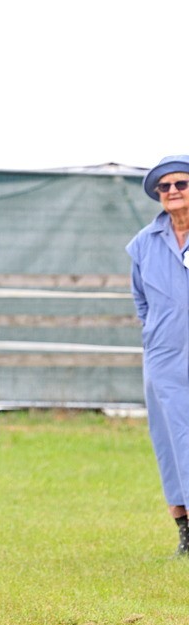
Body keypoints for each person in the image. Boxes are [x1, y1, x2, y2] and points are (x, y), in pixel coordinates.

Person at [128, 154, 189, 557]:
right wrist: (155, 333)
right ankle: (184, 532)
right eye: (164, 187)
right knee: (170, 440)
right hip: (165, 355)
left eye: (180, 184)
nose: (171, 192)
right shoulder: (142, 244)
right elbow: (140, 300)